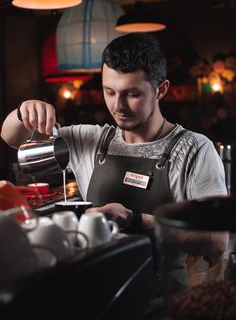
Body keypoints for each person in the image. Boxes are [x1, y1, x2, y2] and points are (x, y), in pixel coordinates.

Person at [0, 33, 228, 318]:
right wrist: (23, 113)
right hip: (94, 301)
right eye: (109, 91)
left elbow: (216, 242)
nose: (118, 106)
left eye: (132, 94)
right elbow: (11, 138)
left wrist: (135, 219)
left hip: (160, 306)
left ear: (161, 89)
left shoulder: (195, 149)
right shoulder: (93, 140)